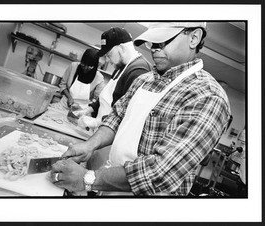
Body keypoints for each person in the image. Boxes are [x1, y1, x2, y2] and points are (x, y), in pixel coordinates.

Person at [49, 22, 232, 196]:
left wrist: (88, 178)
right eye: (152, 42)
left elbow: (161, 172)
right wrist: (90, 145)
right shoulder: (145, 80)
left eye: (162, 41)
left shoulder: (207, 97)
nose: (154, 48)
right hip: (109, 185)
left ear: (194, 38)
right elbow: (117, 117)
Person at [76, 27, 152, 129]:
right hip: (103, 129)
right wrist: (89, 110)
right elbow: (108, 98)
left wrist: (97, 122)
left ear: (121, 48)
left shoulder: (138, 70)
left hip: (111, 135)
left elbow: (127, 113)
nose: (107, 60)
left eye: (109, 54)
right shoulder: (120, 67)